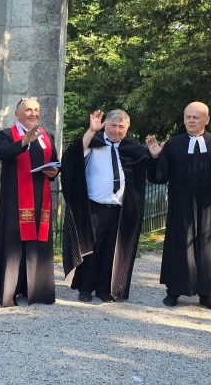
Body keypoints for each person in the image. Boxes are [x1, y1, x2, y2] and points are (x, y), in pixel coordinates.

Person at [147, 102, 211, 311]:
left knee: (210, 248)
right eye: (188, 117)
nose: (191, 120)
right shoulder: (173, 145)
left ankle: (207, 295)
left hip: (210, 206)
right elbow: (159, 177)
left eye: (195, 117)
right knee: (179, 246)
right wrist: (155, 157)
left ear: (207, 119)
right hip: (181, 205)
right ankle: (174, 291)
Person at [61, 109, 151, 303]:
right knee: (90, 249)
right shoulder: (93, 143)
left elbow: (151, 172)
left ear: (127, 128)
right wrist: (91, 131)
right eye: (113, 125)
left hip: (120, 209)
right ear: (105, 125)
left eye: (121, 127)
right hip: (93, 207)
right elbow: (72, 157)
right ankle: (85, 288)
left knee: (112, 250)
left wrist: (156, 156)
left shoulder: (133, 149)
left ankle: (104, 289)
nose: (116, 130)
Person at [0, 97, 60, 306]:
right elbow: (2, 153)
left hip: (40, 199)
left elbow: (54, 160)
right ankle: (10, 291)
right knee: (14, 245)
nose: (33, 113)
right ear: (17, 114)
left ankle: (37, 291)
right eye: (28, 110)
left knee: (38, 243)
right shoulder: (6, 134)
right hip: (15, 199)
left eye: (36, 110)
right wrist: (25, 141)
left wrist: (54, 172)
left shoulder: (47, 135)